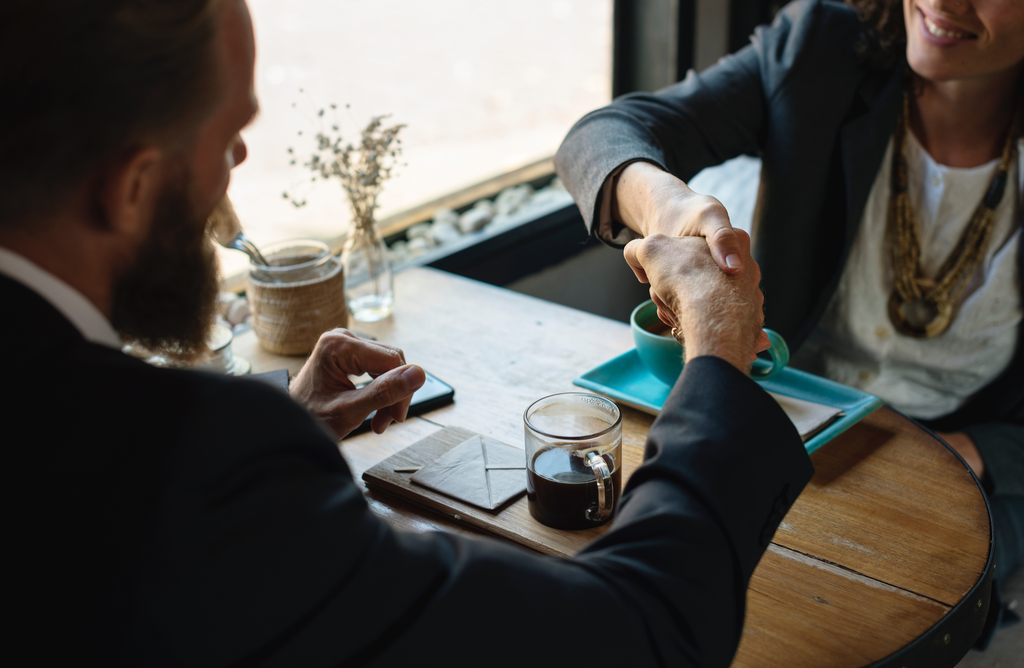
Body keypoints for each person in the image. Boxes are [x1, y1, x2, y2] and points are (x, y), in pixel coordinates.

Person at [2, 1, 814, 665]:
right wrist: (717, 355)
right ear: (134, 185)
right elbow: (636, 635)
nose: (232, 173)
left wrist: (279, 419)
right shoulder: (191, 474)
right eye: (228, 140)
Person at [555, 0, 1023, 644]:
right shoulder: (825, 47)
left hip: (966, 475)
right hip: (789, 435)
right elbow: (602, 135)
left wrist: (978, 451)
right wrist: (669, 207)